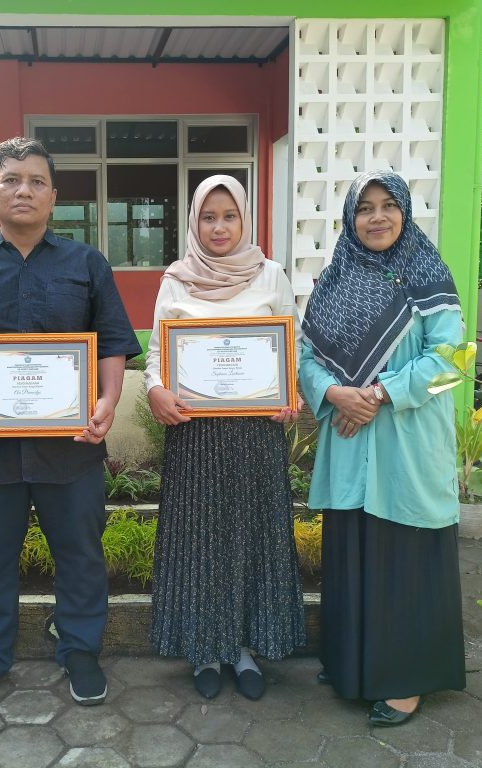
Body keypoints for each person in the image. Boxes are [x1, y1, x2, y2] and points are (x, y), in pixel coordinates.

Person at [0, 137, 142, 708]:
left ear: (54, 196)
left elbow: (112, 342)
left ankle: (80, 650)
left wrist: (108, 400)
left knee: (80, 554)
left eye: (37, 181)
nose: (24, 190)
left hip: (70, 448)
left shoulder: (86, 264)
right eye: (12, 180)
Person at [298, 170, 466, 726]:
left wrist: (379, 393)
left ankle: (405, 680)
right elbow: (306, 358)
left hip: (406, 441)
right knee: (354, 550)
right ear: (350, 218)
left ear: (405, 211)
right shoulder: (335, 279)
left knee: (405, 558)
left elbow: (448, 360)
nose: (376, 217)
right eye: (364, 208)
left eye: (388, 205)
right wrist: (334, 394)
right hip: (350, 440)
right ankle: (350, 665)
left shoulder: (427, 273)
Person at [145, 175, 307, 700]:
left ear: (245, 219)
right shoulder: (177, 279)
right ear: (194, 221)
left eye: (229, 216)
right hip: (194, 434)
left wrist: (289, 393)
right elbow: (156, 353)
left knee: (251, 539)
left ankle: (242, 648)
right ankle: (204, 650)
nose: (219, 227)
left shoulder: (270, 275)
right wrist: (155, 389)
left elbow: (291, 348)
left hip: (255, 433)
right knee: (200, 542)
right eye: (208, 217)